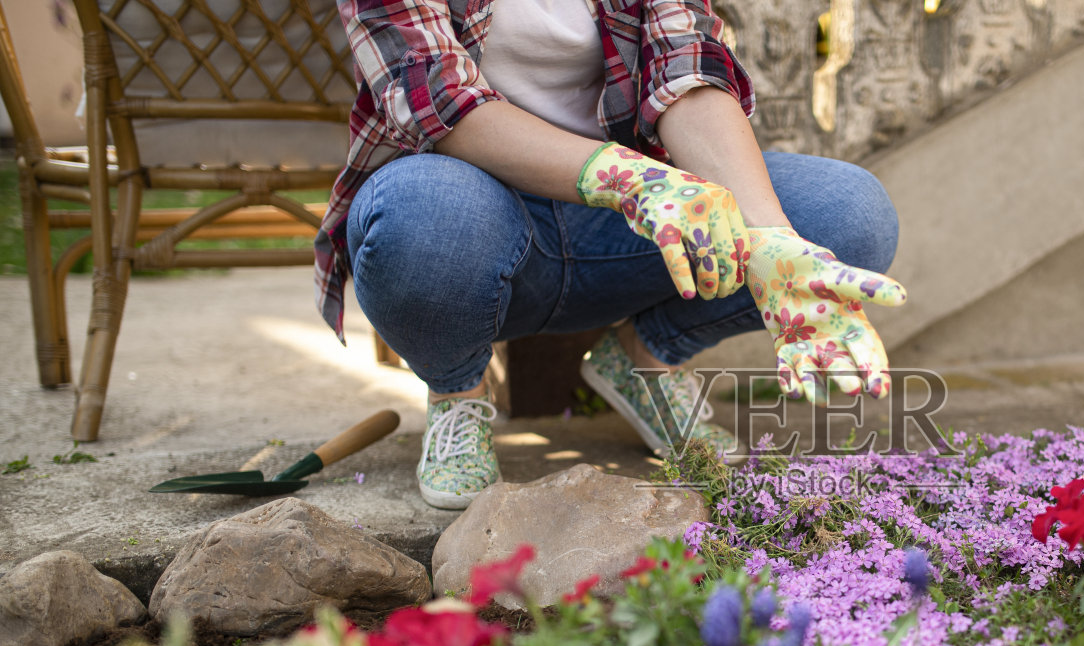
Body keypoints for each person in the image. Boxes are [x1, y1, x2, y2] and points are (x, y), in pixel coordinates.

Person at [316, 0, 907, 509]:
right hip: (476, 215)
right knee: (421, 219)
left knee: (847, 216)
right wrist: (628, 179)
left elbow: (687, 69)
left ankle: (647, 357)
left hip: (636, 221)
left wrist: (773, 238)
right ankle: (457, 391)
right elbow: (436, 100)